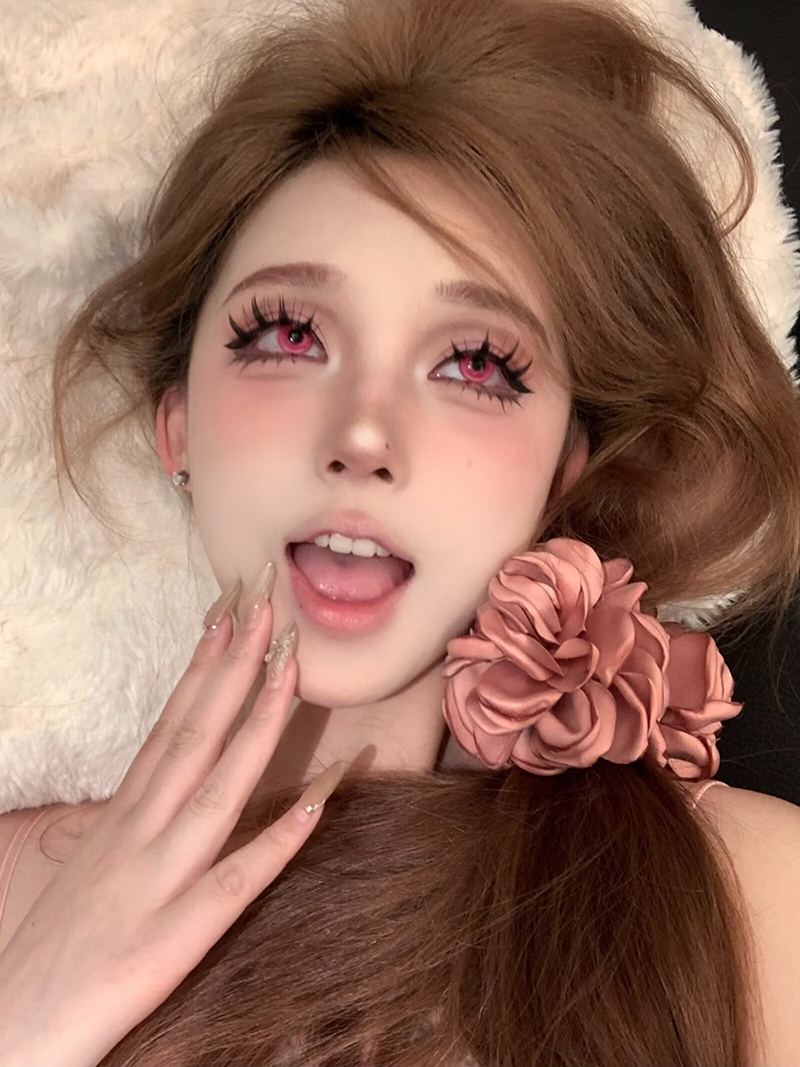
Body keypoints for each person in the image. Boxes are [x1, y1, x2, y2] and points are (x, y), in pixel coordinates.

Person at [1, 0, 799, 1063]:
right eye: (290, 335)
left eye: (474, 363)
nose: (364, 436)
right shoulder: (17, 896)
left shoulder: (755, 903)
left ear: (563, 466)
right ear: (177, 424)